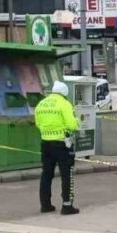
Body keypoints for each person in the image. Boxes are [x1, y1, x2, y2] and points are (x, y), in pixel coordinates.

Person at [34, 80, 80, 215]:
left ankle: (45, 205)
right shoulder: (64, 103)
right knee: (67, 175)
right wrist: (78, 121)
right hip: (62, 144)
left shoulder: (41, 103)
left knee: (46, 174)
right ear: (64, 93)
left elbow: (38, 123)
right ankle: (67, 206)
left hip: (45, 143)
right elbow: (72, 125)